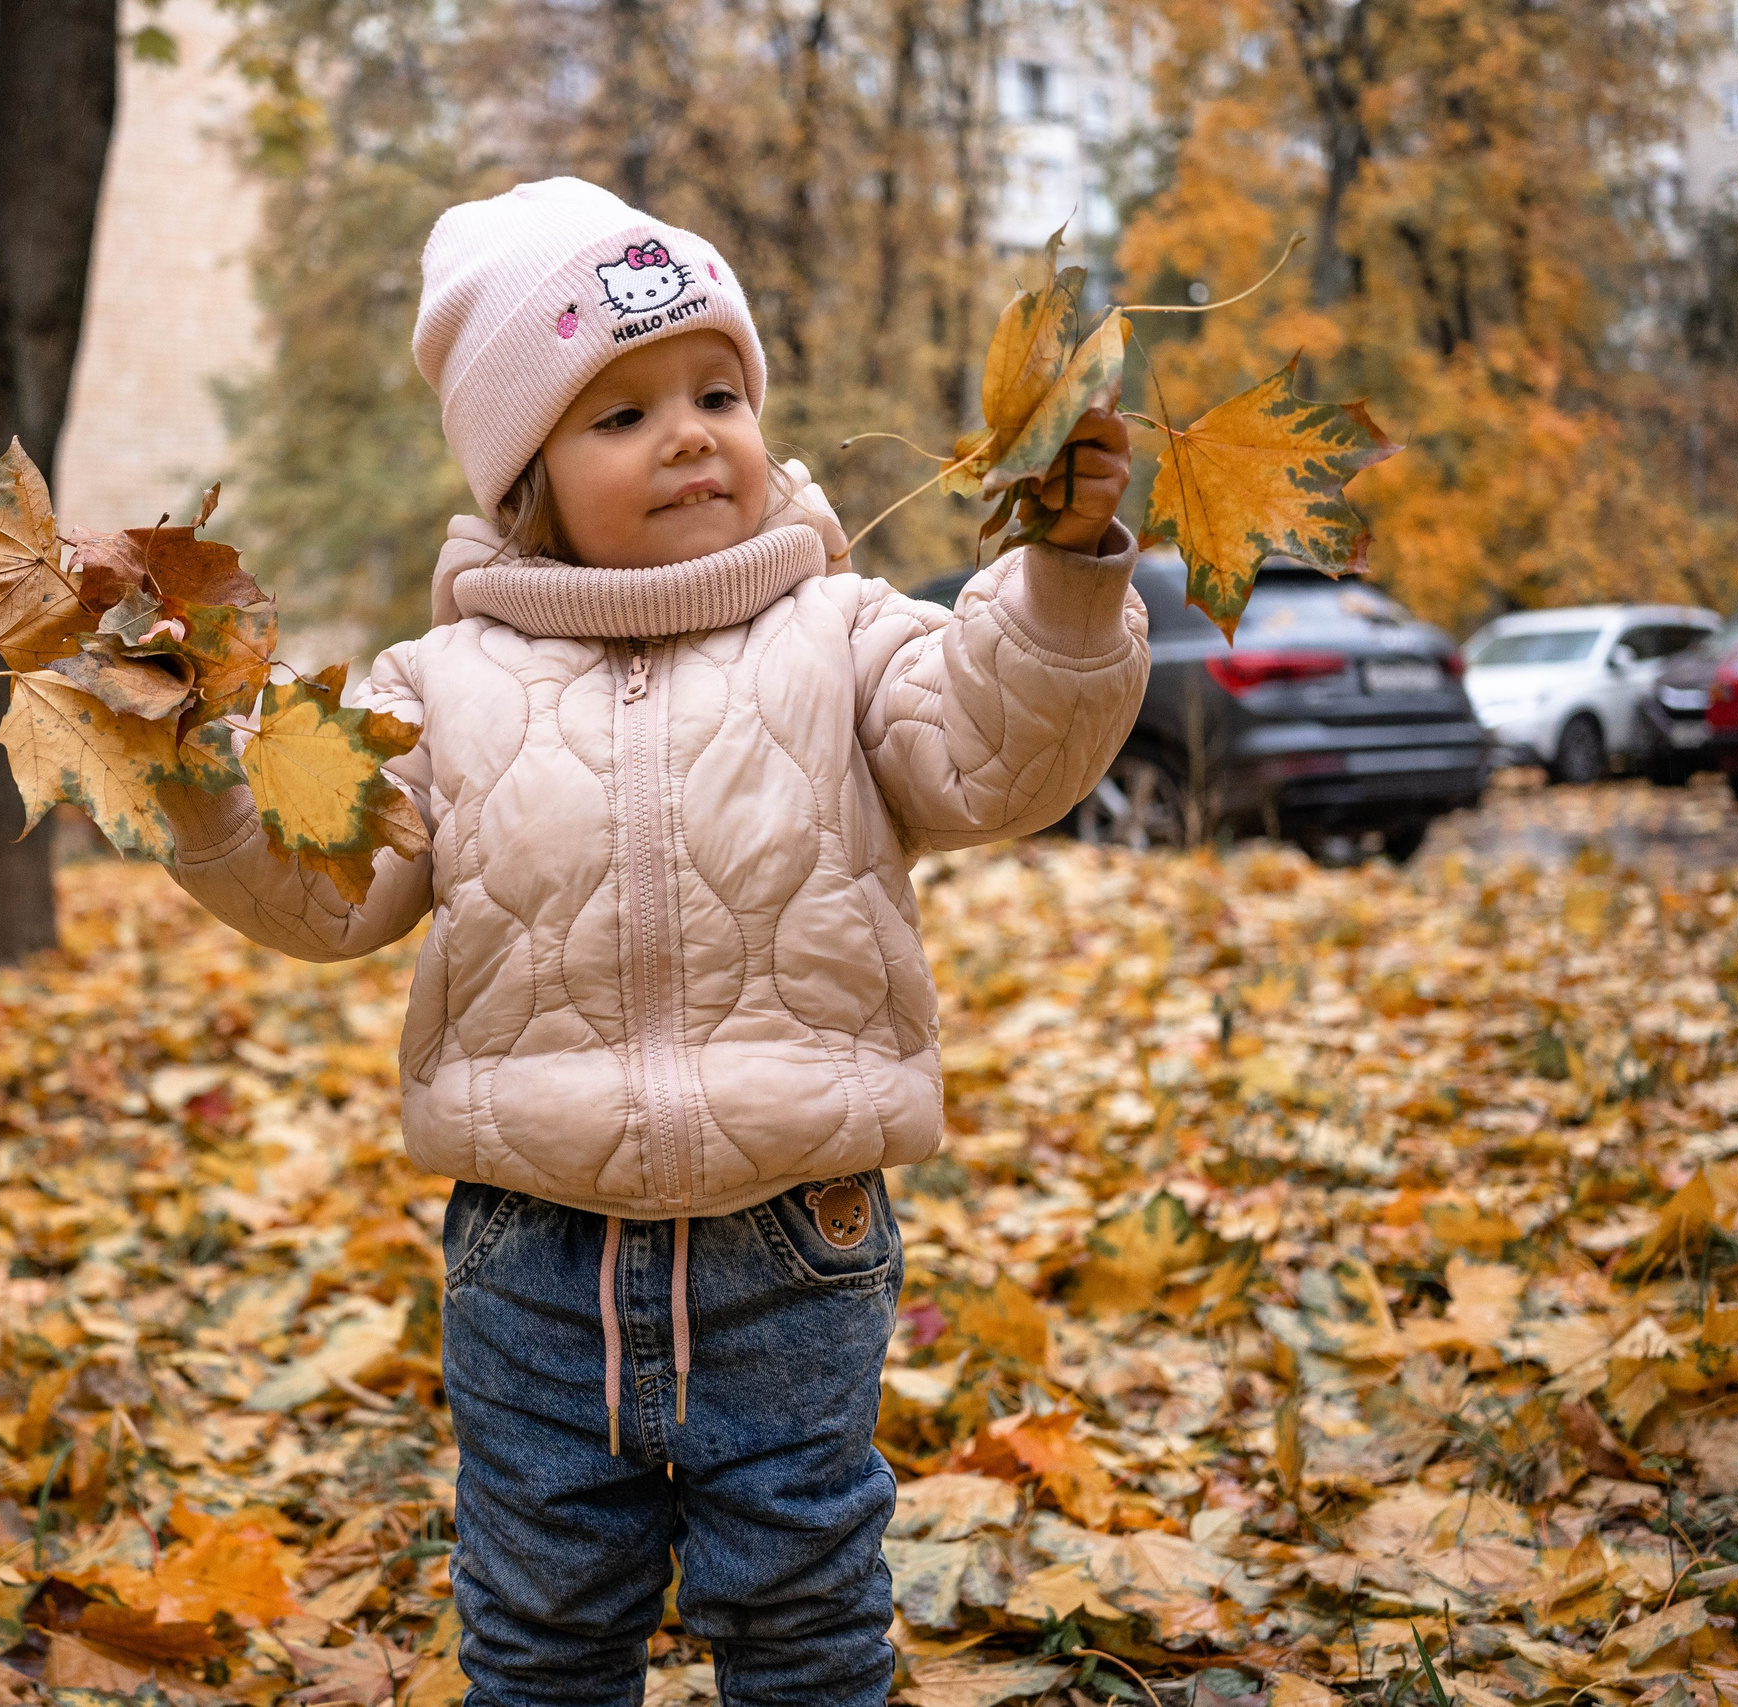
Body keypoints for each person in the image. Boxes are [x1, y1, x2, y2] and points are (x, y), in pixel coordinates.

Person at [155, 178, 1148, 1707]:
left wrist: (1065, 590)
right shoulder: (436, 689)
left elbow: (996, 754)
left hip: (793, 1248)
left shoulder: (845, 632)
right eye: (617, 416)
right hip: (531, 1262)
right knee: (541, 1630)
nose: (690, 433)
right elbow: (328, 889)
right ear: (524, 480)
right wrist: (204, 781)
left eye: (716, 391)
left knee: (807, 1618)